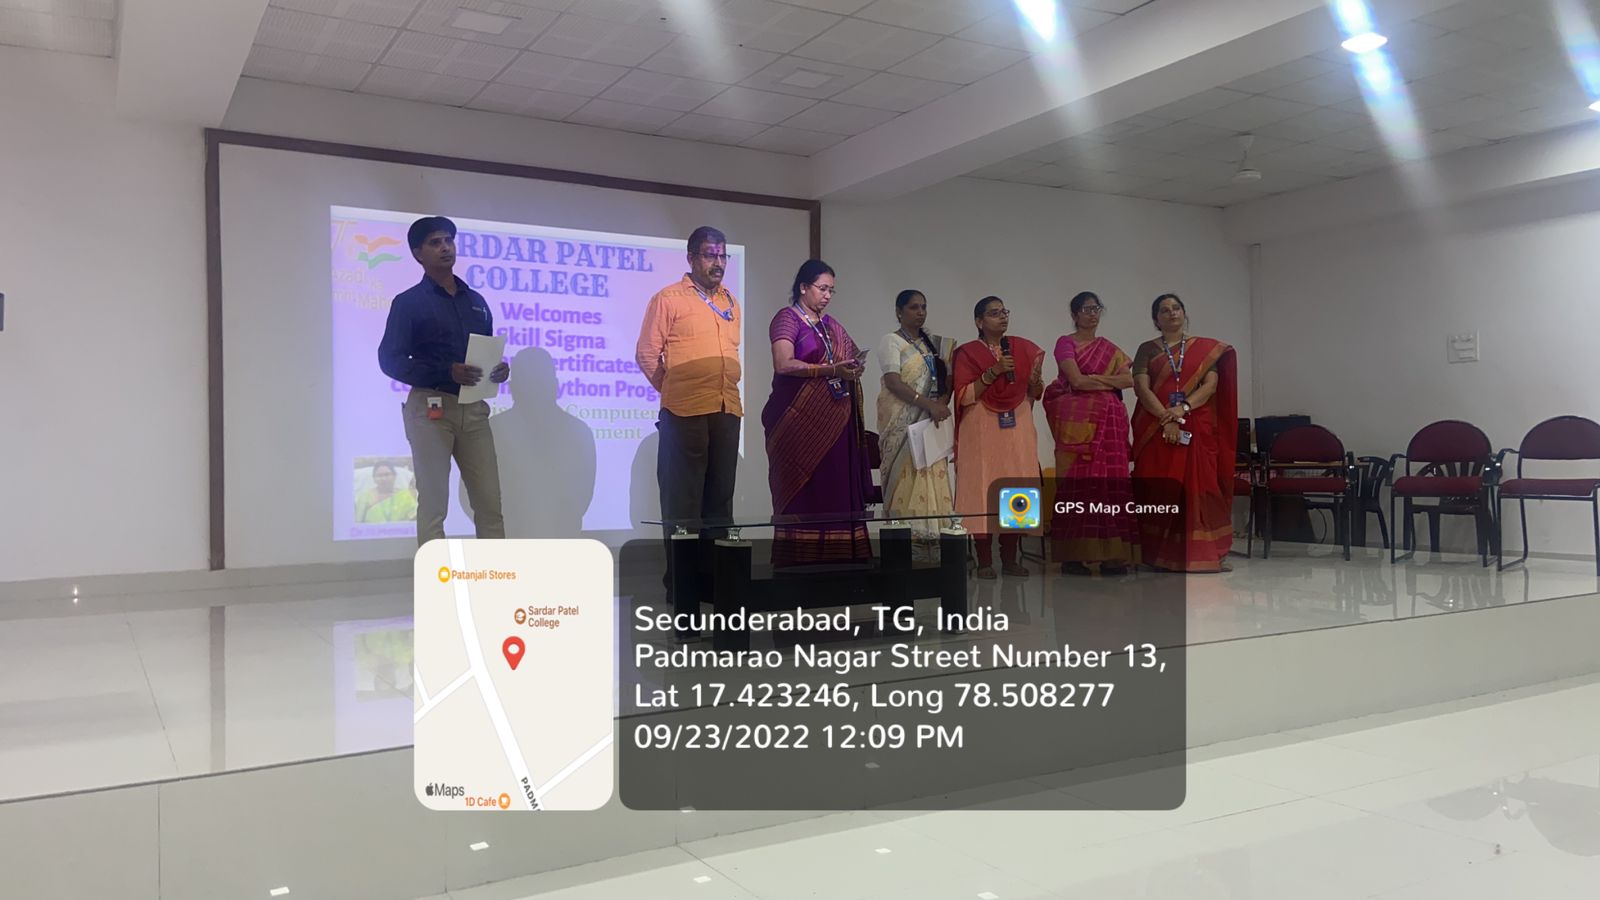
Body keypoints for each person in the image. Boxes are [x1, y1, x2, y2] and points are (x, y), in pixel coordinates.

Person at [378, 216, 508, 545]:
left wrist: (497, 370)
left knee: (490, 504)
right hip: (430, 410)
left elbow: (483, 352)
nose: (445, 247)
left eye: (449, 240)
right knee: (434, 505)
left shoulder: (476, 302)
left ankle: (496, 573)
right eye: (435, 242)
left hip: (474, 409)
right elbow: (390, 359)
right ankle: (434, 575)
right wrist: (444, 372)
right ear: (417, 253)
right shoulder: (408, 303)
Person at [762, 259, 873, 567]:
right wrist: (831, 369)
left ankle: (841, 557)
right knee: (803, 489)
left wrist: (853, 369)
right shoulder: (787, 319)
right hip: (795, 421)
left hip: (835, 421)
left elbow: (848, 358)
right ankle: (800, 557)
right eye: (822, 288)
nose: (827, 296)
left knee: (834, 486)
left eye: (831, 291)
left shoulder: (831, 325)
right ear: (803, 287)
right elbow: (783, 363)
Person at [635, 226, 743, 540]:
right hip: (684, 413)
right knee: (683, 505)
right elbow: (646, 354)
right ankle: (684, 573)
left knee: (720, 503)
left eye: (723, 256)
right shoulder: (668, 298)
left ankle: (716, 571)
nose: (718, 263)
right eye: (710, 255)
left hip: (726, 408)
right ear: (692, 258)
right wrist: (675, 389)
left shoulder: (731, 302)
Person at [1130, 293, 1239, 572]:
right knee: (1158, 489)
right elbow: (1141, 387)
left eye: (1176, 308)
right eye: (1164, 310)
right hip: (1155, 427)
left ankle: (1205, 553)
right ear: (1156, 319)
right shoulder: (1147, 349)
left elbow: (1210, 386)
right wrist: (1165, 417)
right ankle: (1157, 554)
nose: (1172, 313)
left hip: (1194, 424)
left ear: (1184, 313)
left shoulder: (1204, 349)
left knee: (1202, 489)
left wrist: (1182, 409)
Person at [1043, 292, 1137, 575]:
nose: (1092, 314)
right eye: (1086, 309)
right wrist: (1107, 382)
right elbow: (1075, 381)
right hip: (1078, 425)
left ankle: (1113, 556)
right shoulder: (1066, 343)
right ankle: (1074, 556)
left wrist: (1094, 379)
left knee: (1112, 486)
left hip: (1110, 426)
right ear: (1075, 315)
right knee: (1079, 487)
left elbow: (1129, 380)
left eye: (1096, 309)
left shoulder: (1110, 348)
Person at [953, 296, 1045, 579]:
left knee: (1016, 487)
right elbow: (965, 396)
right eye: (994, 313)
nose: (1002, 317)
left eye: (1004, 311)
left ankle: (1010, 559)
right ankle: (984, 560)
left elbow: (1035, 393)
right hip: (981, 427)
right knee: (981, 489)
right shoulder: (967, 353)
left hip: (1016, 427)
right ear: (979, 321)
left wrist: (1034, 383)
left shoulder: (1023, 349)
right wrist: (993, 372)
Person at [875, 290, 956, 562]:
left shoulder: (934, 345)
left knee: (933, 478)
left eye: (923, 307)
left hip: (930, 425)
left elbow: (946, 381)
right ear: (899, 312)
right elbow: (893, 382)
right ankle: (909, 545)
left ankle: (935, 541)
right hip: (902, 426)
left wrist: (940, 404)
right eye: (913, 307)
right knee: (906, 477)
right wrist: (927, 404)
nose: (920, 312)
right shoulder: (891, 341)